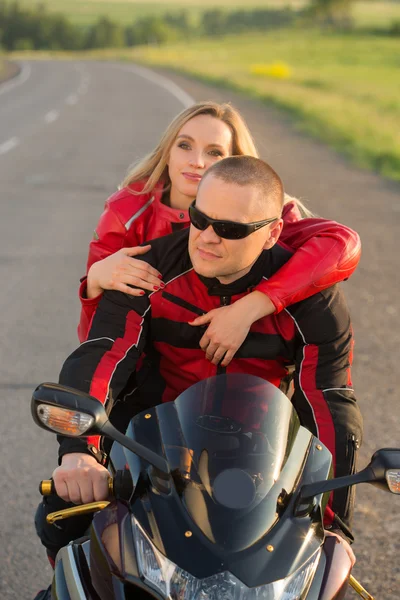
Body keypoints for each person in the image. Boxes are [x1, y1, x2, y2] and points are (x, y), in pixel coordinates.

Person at [36, 157, 362, 577]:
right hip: (148, 443)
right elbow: (102, 355)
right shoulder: (148, 270)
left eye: (229, 229)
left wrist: (334, 520)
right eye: (199, 218)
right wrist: (79, 453)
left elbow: (330, 400)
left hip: (260, 452)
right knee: (63, 511)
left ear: (272, 233)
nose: (207, 238)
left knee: (320, 567)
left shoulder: (314, 299)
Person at [78, 101, 361, 367]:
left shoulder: (266, 216)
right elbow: (94, 341)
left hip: (250, 379)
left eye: (215, 152)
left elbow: (341, 244)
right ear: (167, 152)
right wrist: (95, 281)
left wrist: (251, 307)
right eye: (184, 145)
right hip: (148, 384)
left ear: (237, 166)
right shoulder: (128, 212)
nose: (197, 161)